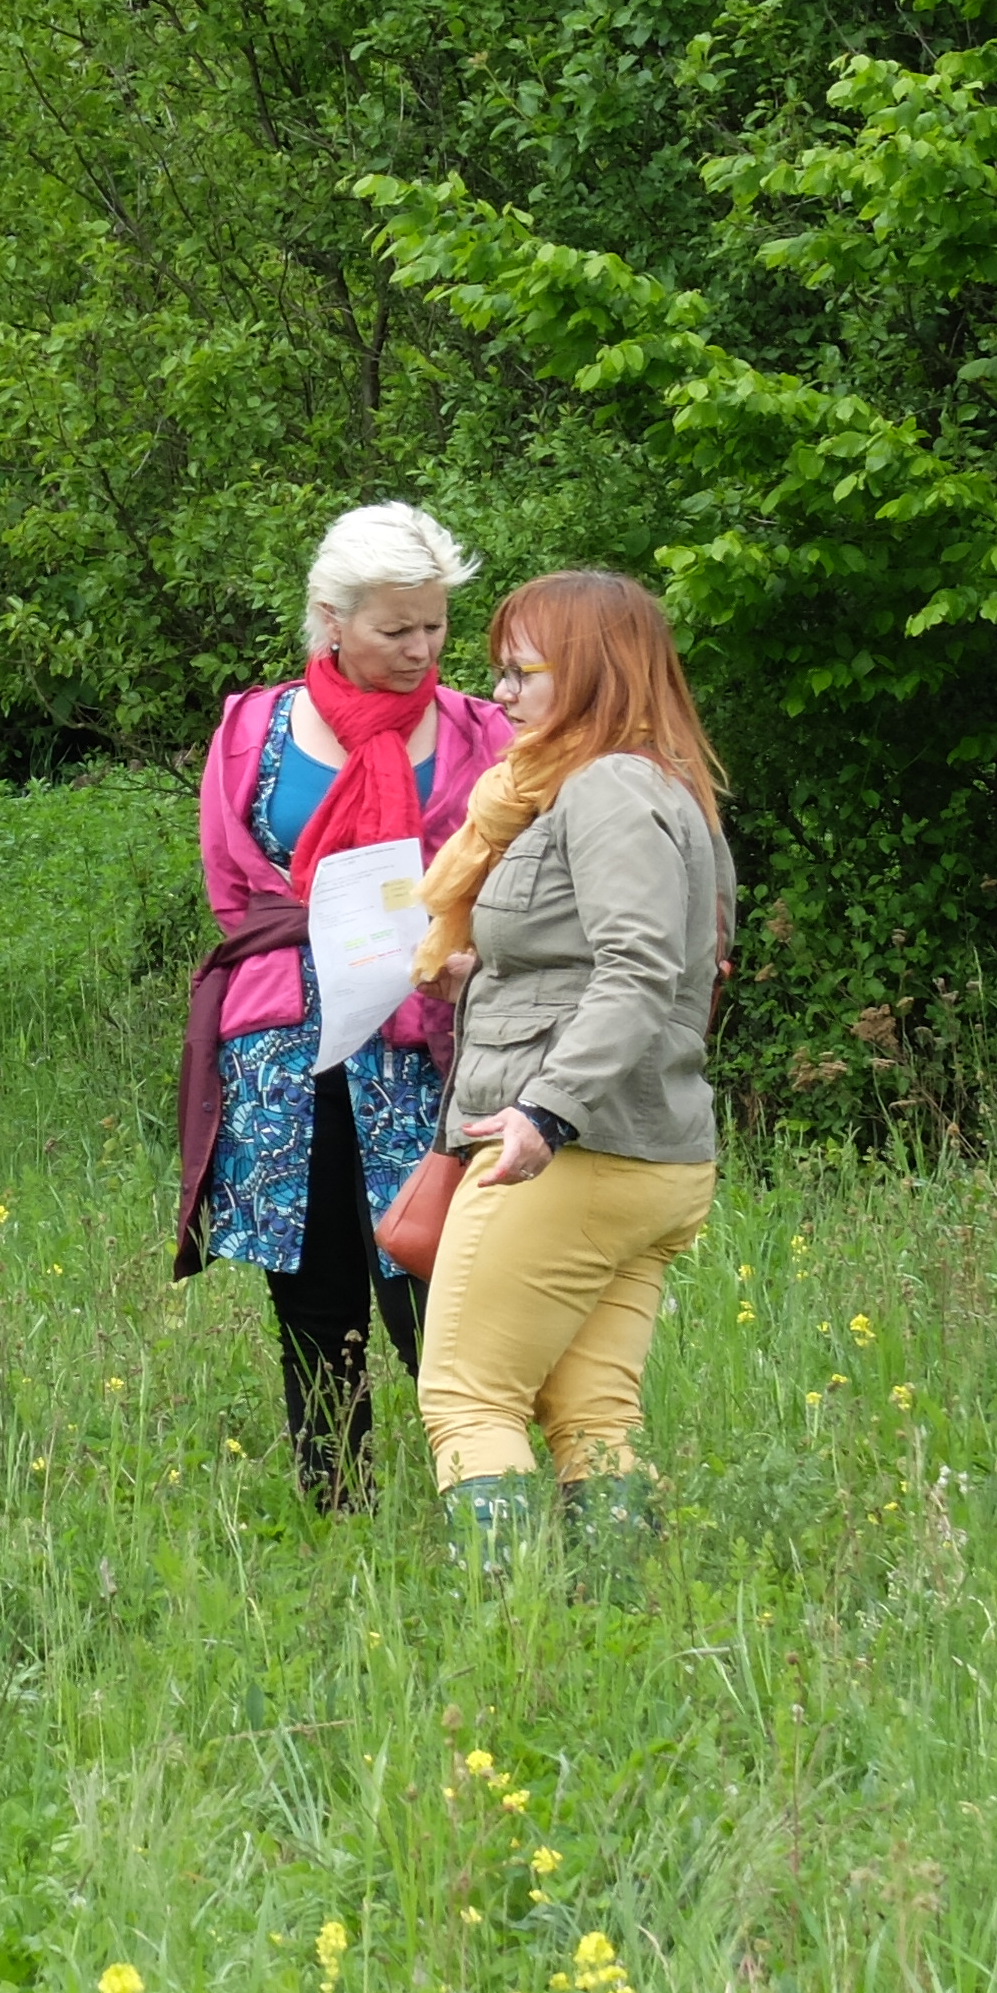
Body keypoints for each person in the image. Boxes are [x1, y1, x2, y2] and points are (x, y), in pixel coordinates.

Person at [177, 503, 512, 1509]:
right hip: (284, 1049)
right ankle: (336, 1516)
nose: (421, 650)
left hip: (427, 1048)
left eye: (435, 627)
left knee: (442, 1289)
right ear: (331, 619)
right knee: (313, 1299)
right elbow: (232, 889)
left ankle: (486, 1499)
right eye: (394, 629)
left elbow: (522, 879)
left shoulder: (477, 733)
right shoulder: (253, 727)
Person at [408, 570, 733, 1581]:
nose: (498, 696)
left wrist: (545, 1112)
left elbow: (641, 970)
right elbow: (615, 961)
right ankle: (608, 1639)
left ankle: (512, 1641)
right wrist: (484, 969)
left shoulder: (603, 790)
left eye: (521, 673)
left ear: (589, 673)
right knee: (590, 1410)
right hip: (646, 1153)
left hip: (573, 1151)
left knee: (465, 1396)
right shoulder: (655, 786)